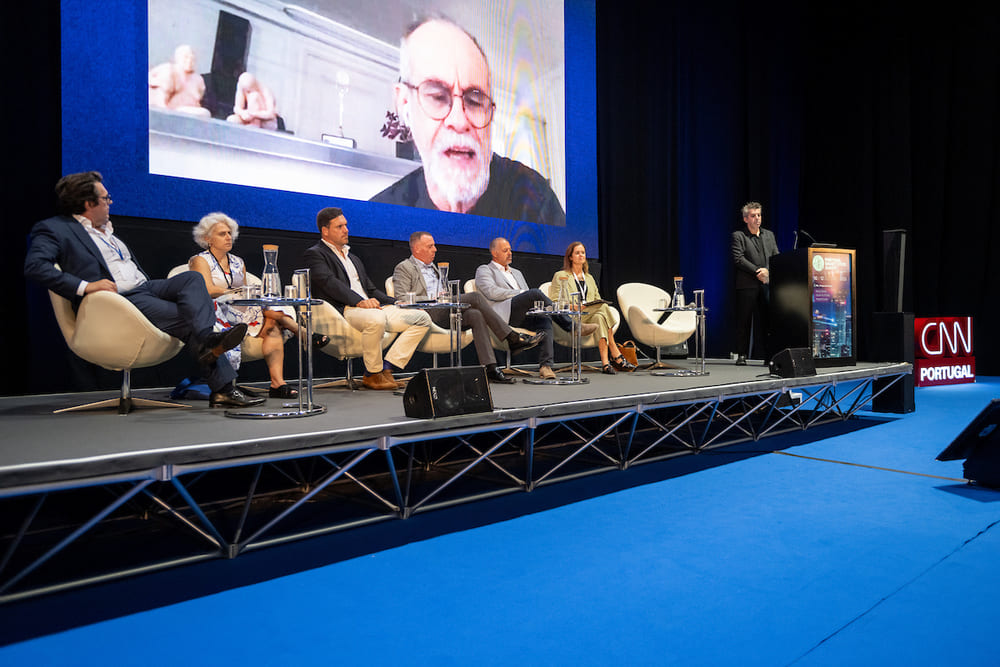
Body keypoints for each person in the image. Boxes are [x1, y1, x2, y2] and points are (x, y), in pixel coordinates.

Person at [24, 171, 262, 408]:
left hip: (144, 288)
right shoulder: (56, 229)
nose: (110, 203)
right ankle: (223, 388)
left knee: (191, 279)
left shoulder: (105, 230)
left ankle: (210, 341)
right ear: (89, 203)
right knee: (190, 319)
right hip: (119, 299)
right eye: (106, 199)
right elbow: (36, 267)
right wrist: (85, 286)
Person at [369, 17, 565, 226]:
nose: (459, 121)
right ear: (404, 104)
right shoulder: (379, 217)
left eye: (474, 101)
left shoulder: (534, 197)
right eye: (437, 96)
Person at [188, 213, 329, 399]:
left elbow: (245, 290)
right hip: (217, 310)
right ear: (207, 238)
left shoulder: (238, 262)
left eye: (230, 233)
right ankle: (302, 332)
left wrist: (244, 294)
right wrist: (233, 293)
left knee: (272, 322)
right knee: (272, 314)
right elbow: (206, 289)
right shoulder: (200, 260)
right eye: (222, 234)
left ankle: (278, 384)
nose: (229, 237)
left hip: (243, 310)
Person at [302, 207, 432, 390]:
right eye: (339, 226)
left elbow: (370, 289)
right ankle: (372, 374)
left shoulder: (352, 257)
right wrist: (358, 301)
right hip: (345, 310)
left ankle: (388, 368)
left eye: (346, 225)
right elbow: (329, 283)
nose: (346, 230)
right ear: (325, 230)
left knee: (422, 318)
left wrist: (396, 303)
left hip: (369, 308)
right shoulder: (316, 254)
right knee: (376, 318)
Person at [392, 232, 542, 383]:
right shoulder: (404, 267)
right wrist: (433, 299)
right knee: (475, 297)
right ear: (417, 249)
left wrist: (444, 295)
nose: (435, 249)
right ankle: (512, 337)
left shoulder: (435, 268)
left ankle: (490, 368)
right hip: (427, 313)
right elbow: (402, 298)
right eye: (430, 246)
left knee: (475, 314)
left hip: (445, 311)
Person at [475, 237, 597, 378]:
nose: (510, 253)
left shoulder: (516, 273)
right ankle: (572, 326)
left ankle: (546, 366)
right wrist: (520, 293)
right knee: (535, 293)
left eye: (510, 250)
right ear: (494, 252)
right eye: (505, 250)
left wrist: (526, 296)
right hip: (503, 315)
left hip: (524, 314)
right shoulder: (484, 270)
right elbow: (491, 292)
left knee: (544, 318)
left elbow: (528, 298)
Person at [549, 242, 635, 375]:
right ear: (570, 257)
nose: (581, 255)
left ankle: (605, 364)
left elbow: (596, 299)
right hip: (571, 317)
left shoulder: (589, 278)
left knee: (600, 315)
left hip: (589, 315)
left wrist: (589, 305)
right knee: (604, 308)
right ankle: (614, 351)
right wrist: (573, 306)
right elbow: (554, 302)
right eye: (577, 253)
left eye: (583, 252)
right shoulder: (560, 275)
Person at [730, 201, 779, 365]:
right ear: (746, 219)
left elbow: (775, 256)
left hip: (766, 284)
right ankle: (742, 355)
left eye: (759, 215)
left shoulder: (769, 235)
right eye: (753, 216)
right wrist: (758, 271)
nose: (757, 219)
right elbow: (739, 259)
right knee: (744, 321)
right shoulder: (739, 236)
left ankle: (769, 356)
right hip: (747, 285)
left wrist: (768, 272)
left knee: (768, 321)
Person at [148, 45, 211, 117]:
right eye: (186, 57)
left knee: (204, 113)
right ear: (177, 58)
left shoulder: (198, 79)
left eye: (192, 58)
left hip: (189, 114)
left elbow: (199, 97)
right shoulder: (169, 70)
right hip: (170, 113)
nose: (189, 61)